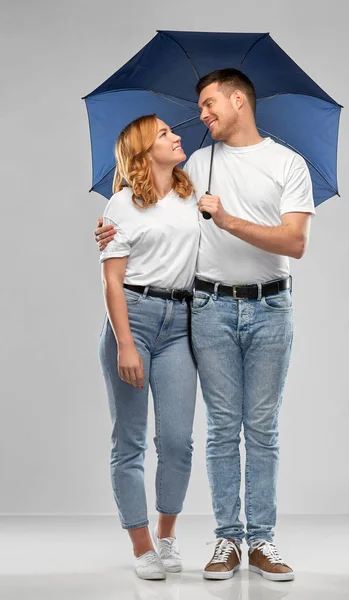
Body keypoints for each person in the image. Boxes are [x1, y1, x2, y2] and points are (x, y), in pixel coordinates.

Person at [95, 69, 315, 582]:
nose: (199, 116)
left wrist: (227, 216)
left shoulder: (287, 164)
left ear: (239, 99)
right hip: (208, 308)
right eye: (197, 107)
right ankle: (224, 539)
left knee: (258, 429)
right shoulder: (198, 163)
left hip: (268, 306)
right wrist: (108, 229)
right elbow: (141, 214)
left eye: (210, 103)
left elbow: (295, 244)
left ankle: (259, 540)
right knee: (218, 430)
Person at [98, 114, 199, 580]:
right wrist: (124, 345)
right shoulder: (120, 205)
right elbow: (112, 281)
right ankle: (141, 546)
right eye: (164, 134)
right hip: (133, 319)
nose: (176, 136)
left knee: (177, 441)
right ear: (142, 150)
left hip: (180, 321)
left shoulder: (191, 193)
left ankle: (168, 535)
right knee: (130, 441)